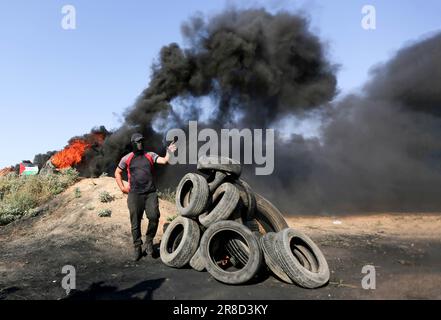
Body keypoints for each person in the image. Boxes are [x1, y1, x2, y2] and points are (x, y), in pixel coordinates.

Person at [115, 133, 177, 261]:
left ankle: (149, 241)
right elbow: (118, 172)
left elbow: (164, 160)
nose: (140, 144)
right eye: (137, 141)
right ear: (133, 143)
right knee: (135, 222)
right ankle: (137, 247)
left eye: (142, 141)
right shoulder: (127, 158)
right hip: (134, 194)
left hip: (150, 193)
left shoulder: (150, 155)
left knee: (154, 216)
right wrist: (122, 187)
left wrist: (169, 152)